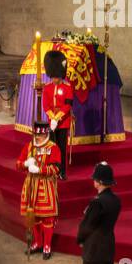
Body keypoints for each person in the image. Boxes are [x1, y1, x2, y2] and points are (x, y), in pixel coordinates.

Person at [17, 120, 61, 259]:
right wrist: (25, 164)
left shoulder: (53, 148)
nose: (36, 137)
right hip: (30, 186)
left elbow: (56, 169)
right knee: (33, 217)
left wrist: (40, 169)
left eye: (39, 135)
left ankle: (47, 245)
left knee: (47, 218)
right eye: (35, 134)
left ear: (46, 134)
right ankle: (38, 242)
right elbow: (18, 164)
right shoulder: (29, 146)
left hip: (45, 186)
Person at [41, 48, 74, 178]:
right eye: (53, 76)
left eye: (56, 76)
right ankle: (53, 170)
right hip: (52, 122)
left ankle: (62, 171)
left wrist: (58, 118)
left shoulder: (67, 88)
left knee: (62, 148)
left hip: (64, 123)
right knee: (52, 148)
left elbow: (67, 105)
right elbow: (46, 105)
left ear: (61, 75)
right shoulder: (47, 88)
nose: (54, 79)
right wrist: (52, 118)